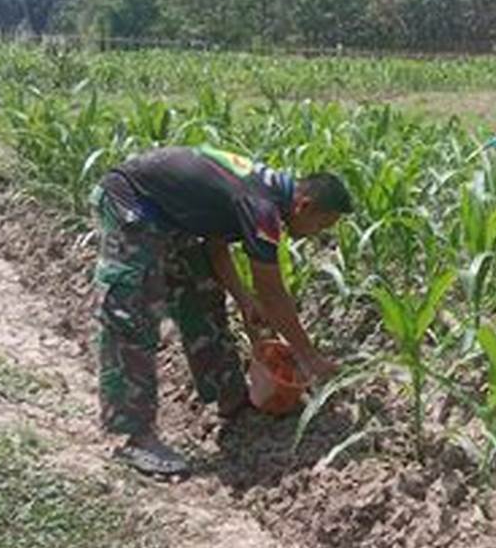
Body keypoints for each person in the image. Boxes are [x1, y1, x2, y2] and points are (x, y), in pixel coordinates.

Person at [89, 144, 352, 476]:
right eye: (321, 225)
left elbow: (215, 247)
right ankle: (136, 438)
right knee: (131, 313)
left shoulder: (267, 195)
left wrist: (243, 300)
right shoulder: (263, 207)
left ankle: (232, 401)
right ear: (304, 205)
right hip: (132, 201)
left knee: (203, 293)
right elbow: (272, 292)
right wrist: (308, 357)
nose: (318, 234)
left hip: (170, 216)